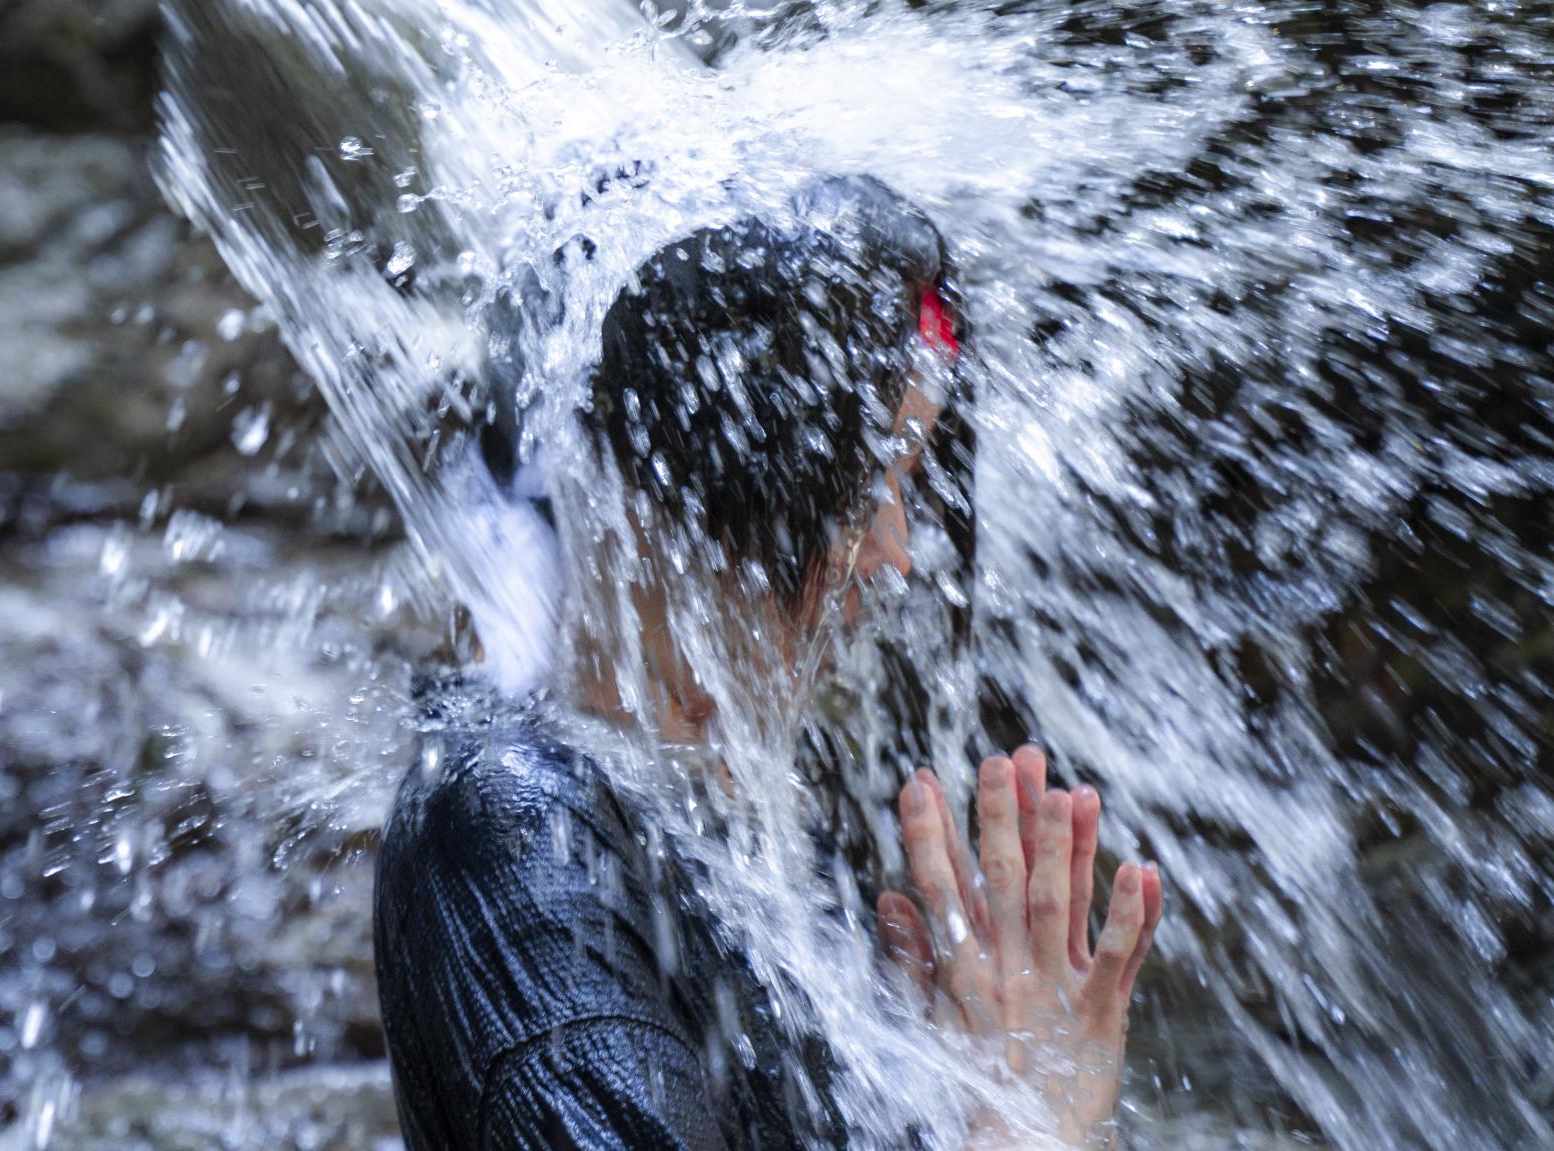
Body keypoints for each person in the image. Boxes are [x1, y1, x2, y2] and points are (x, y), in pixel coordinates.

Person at [372, 175, 1162, 1149]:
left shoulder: (744, 843)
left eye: (905, 488)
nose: (895, 553)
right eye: (865, 487)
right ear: (699, 485)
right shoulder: (514, 830)